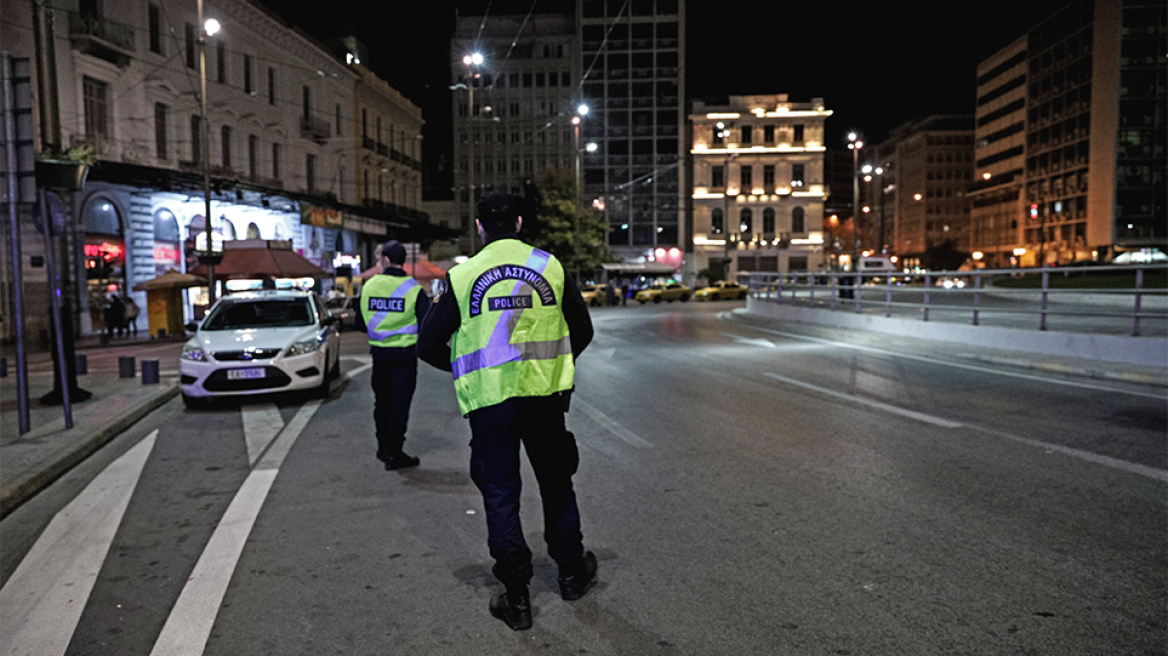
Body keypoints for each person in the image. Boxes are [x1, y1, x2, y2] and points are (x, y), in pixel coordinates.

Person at [417, 192, 597, 632]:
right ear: (518, 222)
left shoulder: (462, 276)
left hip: (491, 405)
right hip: (543, 400)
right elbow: (583, 329)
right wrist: (554, 367)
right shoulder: (549, 267)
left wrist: (466, 368)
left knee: (500, 497)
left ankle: (517, 598)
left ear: (479, 227)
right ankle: (572, 575)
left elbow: (426, 345)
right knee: (557, 485)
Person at [356, 240, 429, 470]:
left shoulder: (369, 286)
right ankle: (395, 453)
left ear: (385, 260)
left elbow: (359, 322)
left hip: (379, 354)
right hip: (405, 356)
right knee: (399, 404)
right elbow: (426, 323)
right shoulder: (414, 289)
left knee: (382, 402)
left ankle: (382, 448)